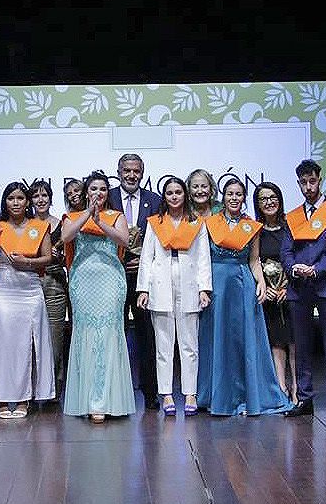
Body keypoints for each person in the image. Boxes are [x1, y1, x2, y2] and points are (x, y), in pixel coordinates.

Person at [197, 175, 289, 417]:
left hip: (242, 284)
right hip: (217, 284)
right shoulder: (210, 223)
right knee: (219, 339)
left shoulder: (251, 226)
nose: (234, 198)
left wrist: (260, 282)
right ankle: (216, 396)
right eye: (230, 194)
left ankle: (247, 396)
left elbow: (254, 259)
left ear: (244, 199)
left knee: (243, 340)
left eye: (239, 194)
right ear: (223, 197)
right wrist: (203, 287)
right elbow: (203, 259)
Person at [59, 172, 135, 420]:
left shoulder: (116, 216)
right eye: (93, 189)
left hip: (110, 280)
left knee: (109, 333)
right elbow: (66, 237)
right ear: (86, 192)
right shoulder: (71, 217)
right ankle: (89, 400)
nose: (98, 193)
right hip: (83, 281)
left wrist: (101, 222)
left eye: (103, 189)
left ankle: (108, 400)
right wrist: (86, 216)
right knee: (85, 333)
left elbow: (123, 239)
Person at [281, 159, 326, 420]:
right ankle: (304, 398)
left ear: (320, 180)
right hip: (300, 286)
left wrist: (317, 269)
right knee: (301, 346)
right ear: (298, 183)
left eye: (312, 181)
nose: (308, 187)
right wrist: (293, 268)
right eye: (303, 183)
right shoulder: (293, 215)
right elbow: (286, 250)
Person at [137, 175, 213, 416]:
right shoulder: (155, 223)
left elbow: (203, 258)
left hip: (189, 285)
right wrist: (143, 289)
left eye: (178, 192)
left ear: (185, 195)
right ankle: (167, 394)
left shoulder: (196, 222)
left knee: (189, 345)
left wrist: (204, 288)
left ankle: (190, 393)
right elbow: (146, 258)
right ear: (164, 197)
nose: (174, 196)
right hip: (161, 286)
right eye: (169, 193)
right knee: (164, 345)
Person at [0, 182, 56, 418]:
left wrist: (29, 263)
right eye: (11, 198)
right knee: (2, 346)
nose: (16, 203)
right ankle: (2, 399)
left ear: (28, 202)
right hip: (4, 289)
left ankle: (24, 398)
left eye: (21, 198)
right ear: (5, 202)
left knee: (29, 346)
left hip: (31, 290)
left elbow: (47, 259)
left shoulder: (40, 226)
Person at [110, 153, 163, 409]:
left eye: (136, 171)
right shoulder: (106, 198)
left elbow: (162, 241)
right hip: (112, 277)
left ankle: (151, 393)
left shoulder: (155, 201)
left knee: (147, 336)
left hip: (145, 281)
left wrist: (144, 263)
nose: (131, 175)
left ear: (142, 173)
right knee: (113, 335)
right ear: (118, 171)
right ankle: (114, 391)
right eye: (126, 170)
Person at [253, 181, 295, 398]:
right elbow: (255, 261)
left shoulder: (292, 226)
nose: (269, 202)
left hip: (293, 292)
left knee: (294, 341)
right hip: (269, 295)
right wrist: (264, 287)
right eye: (263, 199)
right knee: (276, 342)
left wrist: (288, 287)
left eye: (273, 197)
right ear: (257, 204)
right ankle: (281, 388)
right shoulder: (256, 231)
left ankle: (297, 390)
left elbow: (299, 257)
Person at [30, 179, 70, 396]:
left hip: (55, 285)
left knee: (54, 341)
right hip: (29, 285)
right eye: (36, 196)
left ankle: (53, 390)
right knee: (30, 341)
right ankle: (31, 389)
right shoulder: (26, 225)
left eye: (44, 195)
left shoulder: (61, 224)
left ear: (51, 198)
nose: (41, 199)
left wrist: (61, 257)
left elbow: (69, 258)